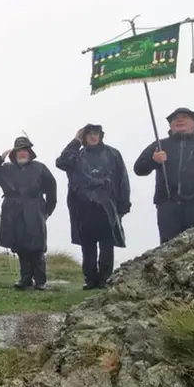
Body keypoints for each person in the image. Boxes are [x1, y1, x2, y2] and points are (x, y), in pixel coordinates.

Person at [134, 107, 194, 243]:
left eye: (184, 117)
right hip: (168, 207)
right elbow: (139, 169)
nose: (179, 119)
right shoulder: (160, 145)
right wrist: (153, 160)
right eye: (174, 118)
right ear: (170, 125)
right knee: (168, 253)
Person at [56, 124, 131, 289]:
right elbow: (61, 162)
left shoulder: (113, 154)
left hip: (107, 206)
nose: (93, 136)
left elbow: (123, 180)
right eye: (89, 134)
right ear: (83, 137)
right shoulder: (76, 155)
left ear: (101, 135)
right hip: (83, 207)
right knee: (87, 245)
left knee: (107, 244)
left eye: (96, 133)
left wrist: (124, 205)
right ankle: (90, 279)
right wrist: (75, 141)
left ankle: (105, 279)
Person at [0, 137, 57, 290]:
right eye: (19, 150)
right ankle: (25, 278)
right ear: (14, 153)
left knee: (36, 247)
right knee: (20, 247)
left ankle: (41, 280)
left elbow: (52, 189)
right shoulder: (5, 169)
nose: (22, 153)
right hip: (12, 211)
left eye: (25, 150)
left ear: (30, 152)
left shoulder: (40, 168)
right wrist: (0, 157)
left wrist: (47, 211)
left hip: (34, 209)